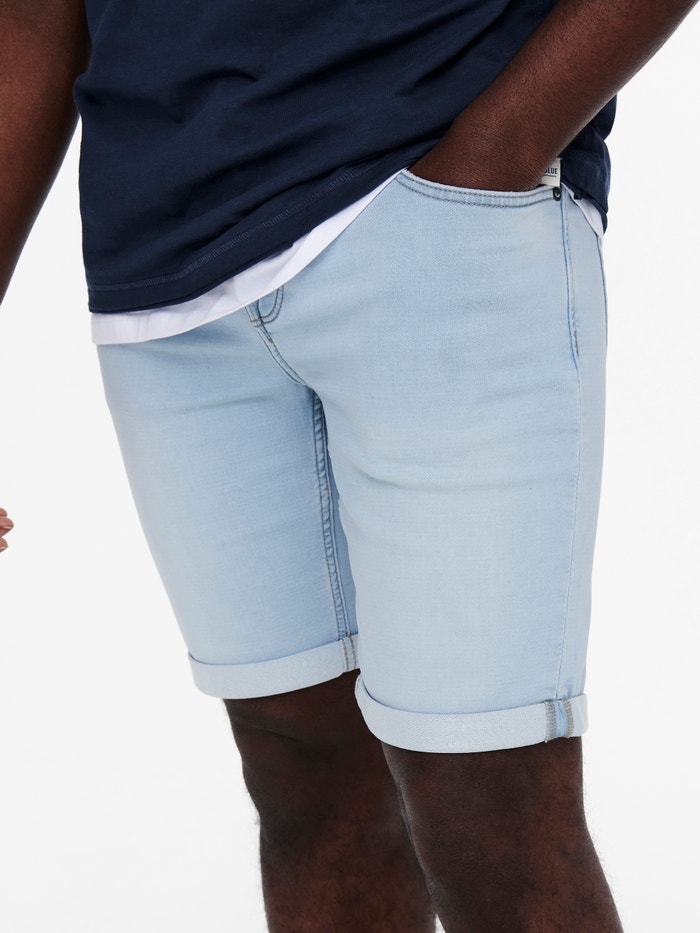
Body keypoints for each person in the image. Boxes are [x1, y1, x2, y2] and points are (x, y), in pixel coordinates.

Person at [1, 2, 697, 930]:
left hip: (435, 209)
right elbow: (32, 18)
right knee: (300, 763)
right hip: (163, 272)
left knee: (486, 793)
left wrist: (495, 150)